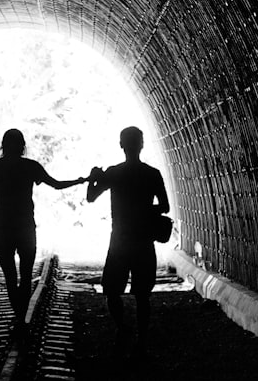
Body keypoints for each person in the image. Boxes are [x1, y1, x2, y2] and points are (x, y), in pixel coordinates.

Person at [0, 128, 86, 321]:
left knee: (10, 276)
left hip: (2, 228)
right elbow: (56, 184)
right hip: (25, 226)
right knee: (25, 276)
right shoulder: (31, 166)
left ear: (3, 146)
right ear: (23, 147)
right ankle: (22, 317)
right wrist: (81, 181)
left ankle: (19, 314)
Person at [86, 126, 169, 356]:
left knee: (112, 290)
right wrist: (144, 211)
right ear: (141, 144)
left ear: (121, 145)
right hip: (143, 240)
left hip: (120, 241)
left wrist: (93, 178)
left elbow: (91, 197)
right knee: (143, 295)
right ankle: (141, 342)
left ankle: (123, 328)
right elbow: (165, 206)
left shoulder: (114, 173)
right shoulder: (152, 174)